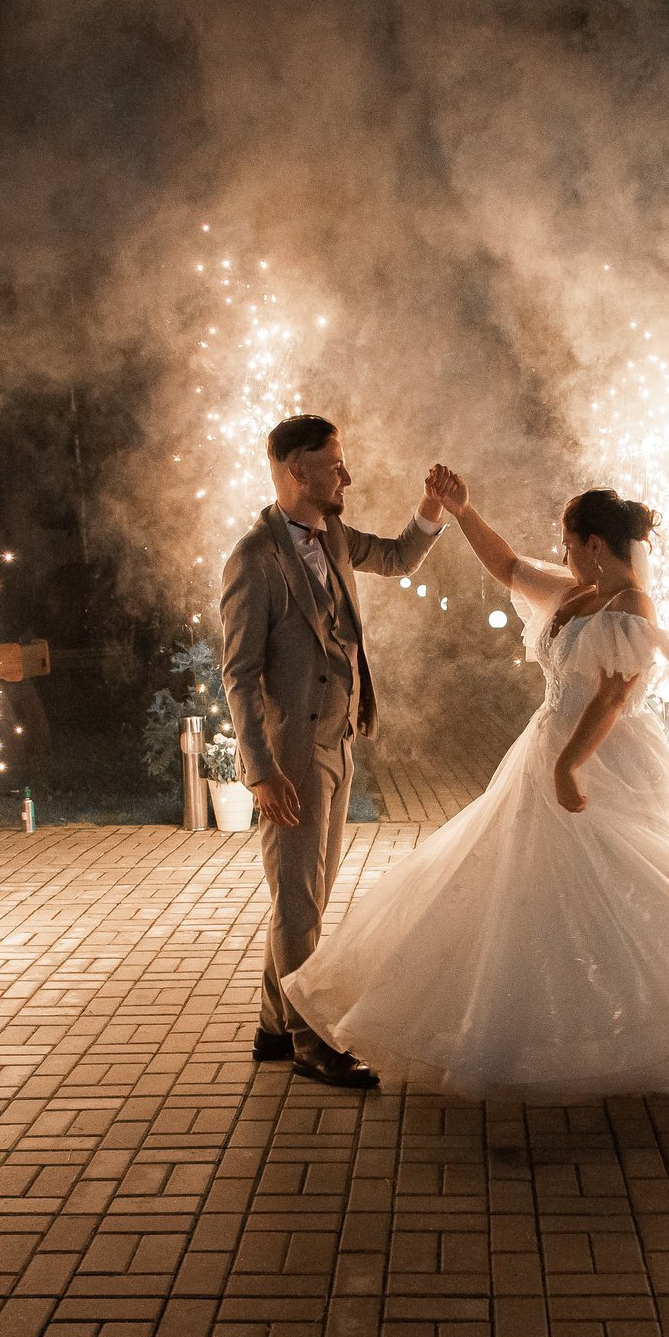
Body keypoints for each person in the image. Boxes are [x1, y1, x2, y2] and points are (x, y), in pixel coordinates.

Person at [278, 476, 669, 1102]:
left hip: (605, 761)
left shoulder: (631, 607)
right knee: (533, 884)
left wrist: (567, 766)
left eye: (567, 542)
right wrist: (463, 511)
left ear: (593, 545)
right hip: (547, 750)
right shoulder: (577, 591)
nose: (561, 553)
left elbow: (612, 698)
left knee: (627, 883)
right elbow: (507, 565)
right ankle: (555, 1024)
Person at [219, 414, 445, 1089]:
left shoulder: (336, 534)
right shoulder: (253, 558)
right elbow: (238, 674)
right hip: (290, 753)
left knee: (308, 894)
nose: (345, 475)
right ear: (298, 471)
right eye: (334, 464)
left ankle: (272, 1026)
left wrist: (431, 508)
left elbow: (398, 557)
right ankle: (310, 1043)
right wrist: (260, 771)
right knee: (299, 902)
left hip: (336, 742)